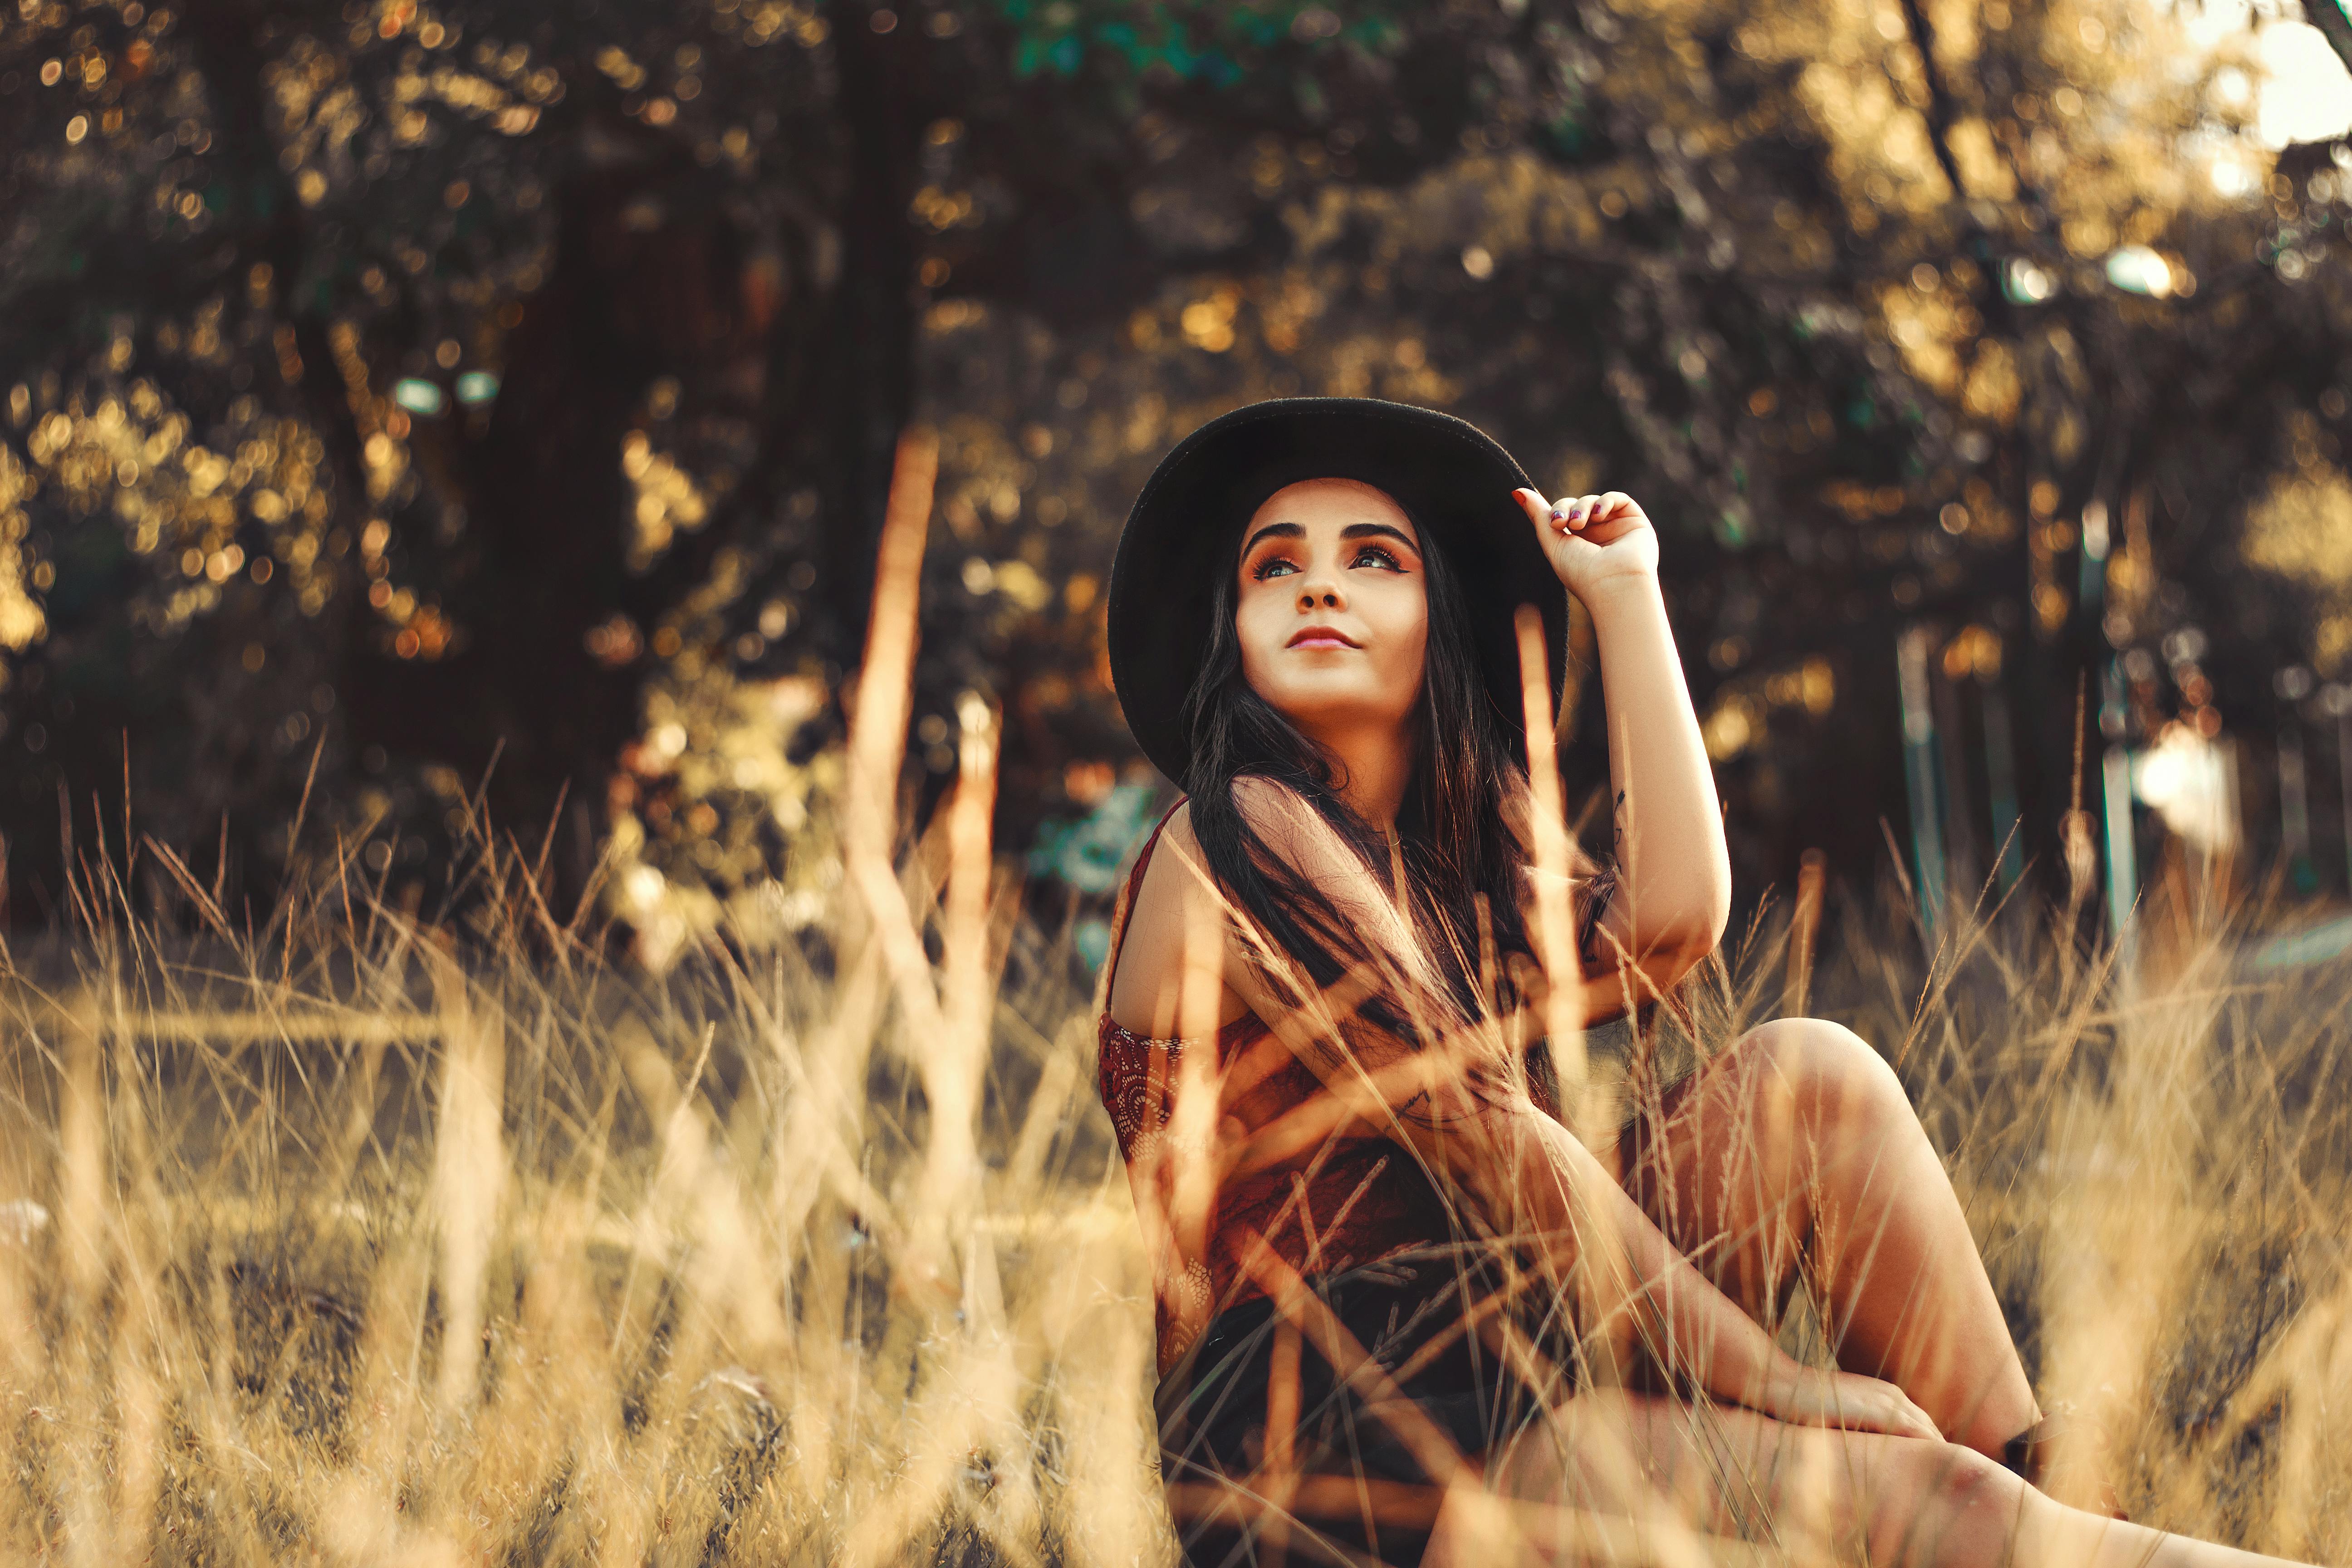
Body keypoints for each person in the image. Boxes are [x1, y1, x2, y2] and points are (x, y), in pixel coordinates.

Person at [1094, 397, 2317, 1568]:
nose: (1317, 583)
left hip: (1501, 1341)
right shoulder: (1235, 829)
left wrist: (1629, 599)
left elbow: (1671, 927)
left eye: (1374, 559)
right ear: (1233, 637)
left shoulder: (1444, 883)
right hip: (1329, 1442)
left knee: (1814, 1081)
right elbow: (1484, 1135)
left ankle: (2027, 1512)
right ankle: (1996, 1524)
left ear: (1442, 622)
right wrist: (1774, 1379)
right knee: (1911, 1494)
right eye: (1273, 566)